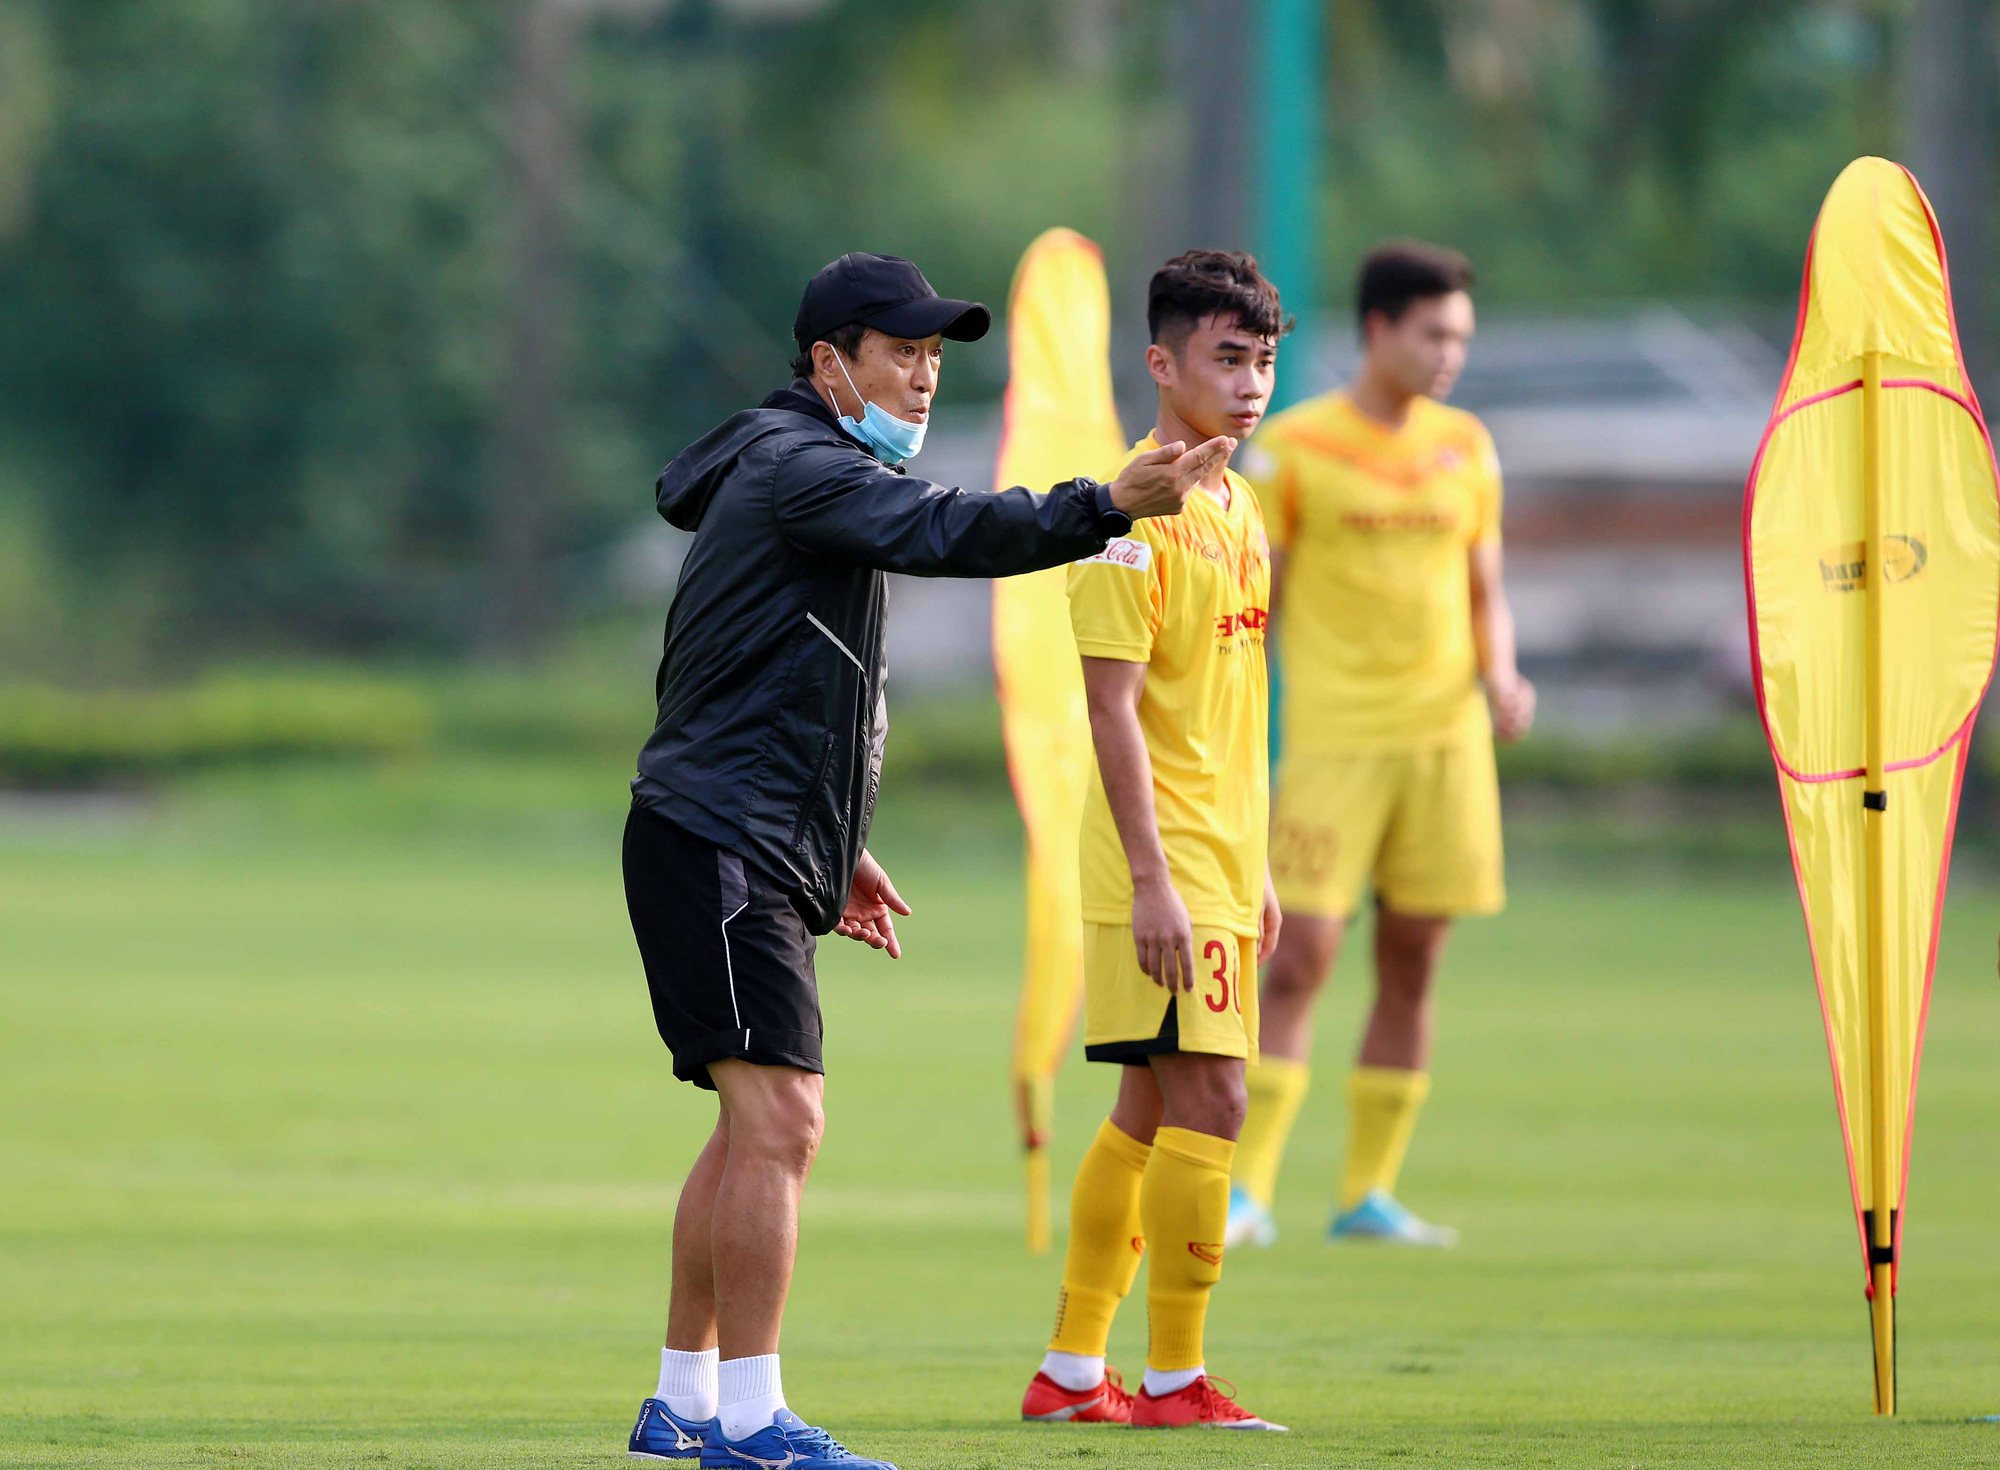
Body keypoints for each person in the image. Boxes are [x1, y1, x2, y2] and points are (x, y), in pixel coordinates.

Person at [621, 252, 1236, 1470]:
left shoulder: (789, 465)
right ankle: (748, 1421)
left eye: (934, 356)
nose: (921, 376)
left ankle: (684, 1400)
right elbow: (945, 529)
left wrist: (835, 844)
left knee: (750, 1128)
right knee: (786, 1120)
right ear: (826, 364)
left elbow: (762, 684)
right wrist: (1101, 502)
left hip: (743, 835)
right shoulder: (805, 468)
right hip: (720, 838)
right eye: (899, 353)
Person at [1018, 251, 1288, 1433]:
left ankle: (1073, 1372)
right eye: (1226, 358)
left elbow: (1225, 698)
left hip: (1222, 859)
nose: (1248, 383)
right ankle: (1174, 1381)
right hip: (1160, 862)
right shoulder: (1129, 519)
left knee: (1145, 1111)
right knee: (1214, 1103)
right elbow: (1110, 710)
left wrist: (1256, 863)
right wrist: (1154, 881)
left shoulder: (1238, 501)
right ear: (1161, 362)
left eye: (1262, 361)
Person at [1225, 241, 1535, 1252]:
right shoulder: (1295, 448)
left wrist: (1501, 674)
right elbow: (1250, 597)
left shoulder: (1465, 446)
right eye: (1432, 333)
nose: (1449, 354)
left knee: (1413, 958)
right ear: (1376, 330)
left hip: (1443, 743)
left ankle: (1367, 1192)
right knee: (1298, 957)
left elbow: (1484, 587)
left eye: (1459, 337)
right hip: (1333, 740)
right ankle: (1245, 1189)